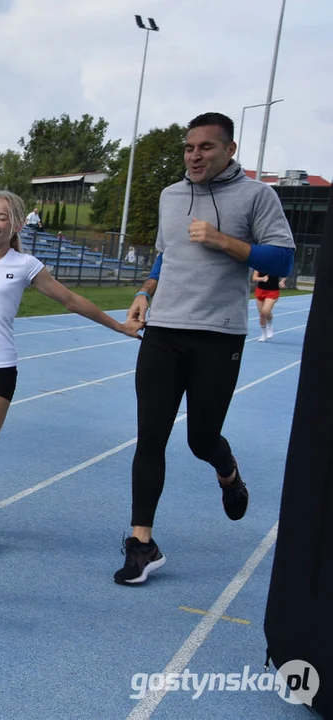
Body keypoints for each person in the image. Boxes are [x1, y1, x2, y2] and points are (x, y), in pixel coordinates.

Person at [116, 112, 295, 585]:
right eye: (189, 148)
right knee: (150, 437)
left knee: (200, 440)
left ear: (229, 150)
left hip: (219, 335)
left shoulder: (259, 196)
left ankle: (228, 472)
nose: (195, 156)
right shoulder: (170, 196)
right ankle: (141, 545)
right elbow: (165, 252)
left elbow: (283, 258)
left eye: (206, 148)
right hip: (164, 332)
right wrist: (144, 293)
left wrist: (225, 242)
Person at [0, 191, 143, 559]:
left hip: (0, 368)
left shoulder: (26, 264)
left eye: (1, 217)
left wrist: (118, 326)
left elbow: (71, 300)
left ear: (16, 224)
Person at [252, 270, 286, 341]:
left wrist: (282, 281)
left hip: (273, 291)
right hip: (260, 290)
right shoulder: (259, 264)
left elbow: (286, 272)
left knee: (266, 311)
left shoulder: (276, 264)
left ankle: (269, 325)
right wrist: (262, 279)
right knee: (261, 314)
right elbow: (254, 278)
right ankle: (263, 334)